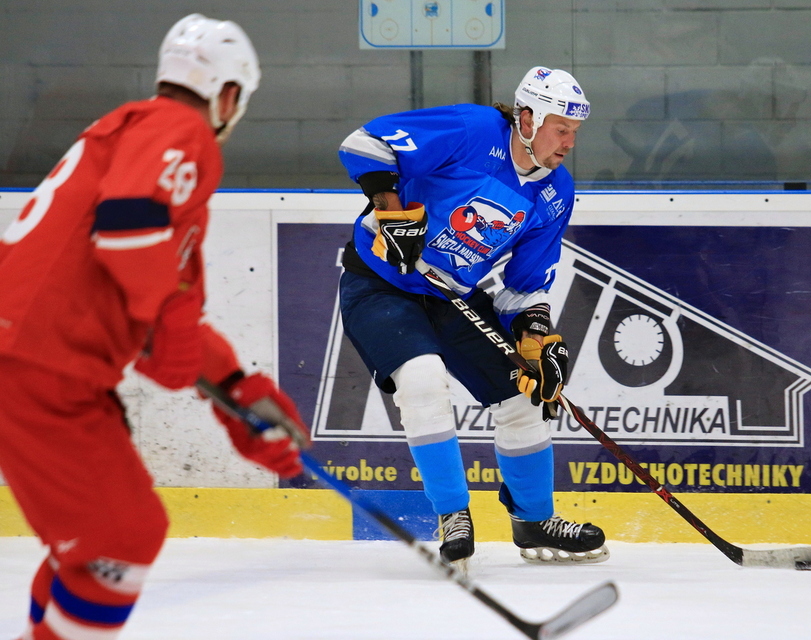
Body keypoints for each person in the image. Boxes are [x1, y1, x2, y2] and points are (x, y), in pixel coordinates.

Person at [0, 14, 309, 640]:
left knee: (89, 546)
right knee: (124, 537)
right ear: (228, 94)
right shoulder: (179, 130)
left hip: (38, 360)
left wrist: (237, 388)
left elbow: (141, 290)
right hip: (40, 365)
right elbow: (127, 229)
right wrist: (172, 325)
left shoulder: (131, 132)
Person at [337, 66, 608, 567]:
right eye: (561, 129)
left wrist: (536, 337)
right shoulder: (473, 129)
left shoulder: (556, 192)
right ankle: (452, 514)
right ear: (527, 119)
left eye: (574, 131)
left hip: (452, 295)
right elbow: (365, 144)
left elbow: (526, 285)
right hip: (379, 286)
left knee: (526, 396)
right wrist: (391, 211)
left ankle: (534, 520)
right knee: (422, 379)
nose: (569, 142)